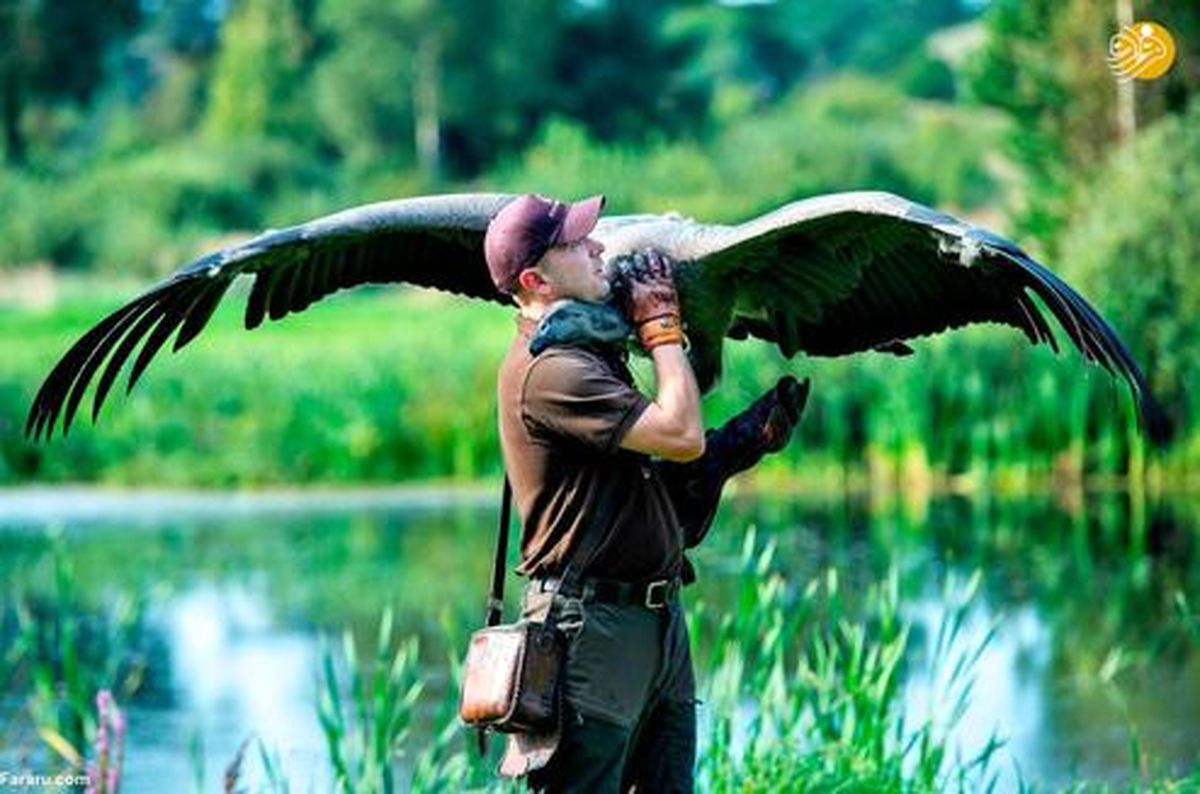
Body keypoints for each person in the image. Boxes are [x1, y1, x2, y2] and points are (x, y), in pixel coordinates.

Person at [485, 193, 808, 792]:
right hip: (589, 633)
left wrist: (734, 448)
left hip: (654, 625)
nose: (599, 246)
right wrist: (662, 329)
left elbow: (634, 494)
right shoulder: (551, 371)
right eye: (576, 244)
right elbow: (679, 434)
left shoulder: (588, 353)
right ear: (536, 280)